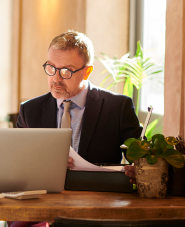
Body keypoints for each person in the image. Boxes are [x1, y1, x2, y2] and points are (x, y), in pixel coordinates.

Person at [16, 31, 142, 165]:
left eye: (66, 71)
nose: (56, 79)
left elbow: (143, 162)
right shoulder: (29, 111)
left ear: (87, 72)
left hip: (95, 186)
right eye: (51, 68)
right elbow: (17, 160)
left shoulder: (118, 108)